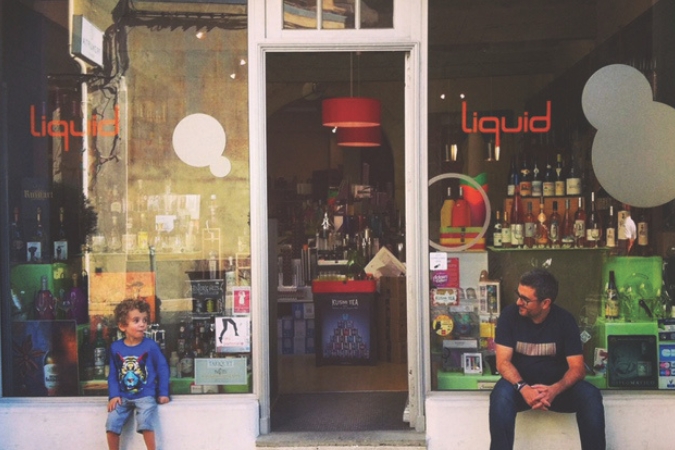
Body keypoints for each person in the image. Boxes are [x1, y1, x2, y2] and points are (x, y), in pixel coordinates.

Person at [489, 269, 605, 450]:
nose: (518, 302)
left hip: (556, 390)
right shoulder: (509, 316)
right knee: (500, 397)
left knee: (591, 396)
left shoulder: (565, 320)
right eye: (518, 295)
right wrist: (523, 388)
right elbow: (503, 363)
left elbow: (577, 368)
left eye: (525, 299)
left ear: (545, 303)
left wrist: (554, 390)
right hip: (519, 388)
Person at [106, 299, 170, 450]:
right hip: (123, 397)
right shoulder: (116, 348)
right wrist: (114, 395)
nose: (142, 324)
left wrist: (163, 392)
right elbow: (113, 374)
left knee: (145, 421)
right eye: (136, 320)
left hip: (145, 395)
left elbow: (162, 368)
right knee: (111, 423)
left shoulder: (151, 346)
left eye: (145, 320)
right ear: (122, 326)